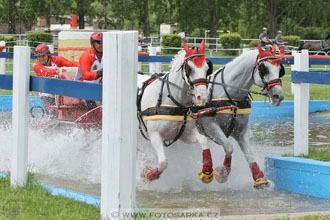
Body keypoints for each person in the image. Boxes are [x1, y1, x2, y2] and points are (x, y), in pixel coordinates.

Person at [33, 44, 79, 118]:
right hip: (47, 92)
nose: (41, 58)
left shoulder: (58, 60)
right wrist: (61, 70)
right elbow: (48, 72)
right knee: (52, 116)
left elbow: (71, 64)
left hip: (60, 91)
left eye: (43, 56)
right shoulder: (37, 67)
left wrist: (83, 66)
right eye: (39, 57)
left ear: (48, 54)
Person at [75, 32, 103, 110]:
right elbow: (85, 75)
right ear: (93, 43)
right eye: (99, 42)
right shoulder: (86, 56)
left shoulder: (107, 54)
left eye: (104, 42)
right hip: (83, 86)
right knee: (88, 92)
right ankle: (93, 118)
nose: (102, 44)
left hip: (98, 86)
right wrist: (98, 73)